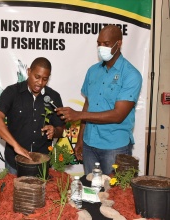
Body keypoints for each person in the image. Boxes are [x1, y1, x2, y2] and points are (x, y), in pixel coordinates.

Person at [56, 25, 143, 175]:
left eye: (106, 44)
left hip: (115, 146)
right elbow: (88, 104)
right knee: (91, 192)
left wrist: (79, 115)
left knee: (114, 194)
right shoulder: (93, 71)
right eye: (99, 43)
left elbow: (118, 115)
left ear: (119, 44)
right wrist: (80, 138)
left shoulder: (131, 74)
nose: (101, 47)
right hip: (89, 144)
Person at [0, 57, 65, 174]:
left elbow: (61, 129)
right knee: (12, 192)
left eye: (45, 79)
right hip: (14, 164)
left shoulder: (53, 97)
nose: (40, 83)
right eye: (37, 77)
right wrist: (16, 146)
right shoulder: (12, 92)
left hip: (42, 165)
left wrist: (54, 131)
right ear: (29, 72)